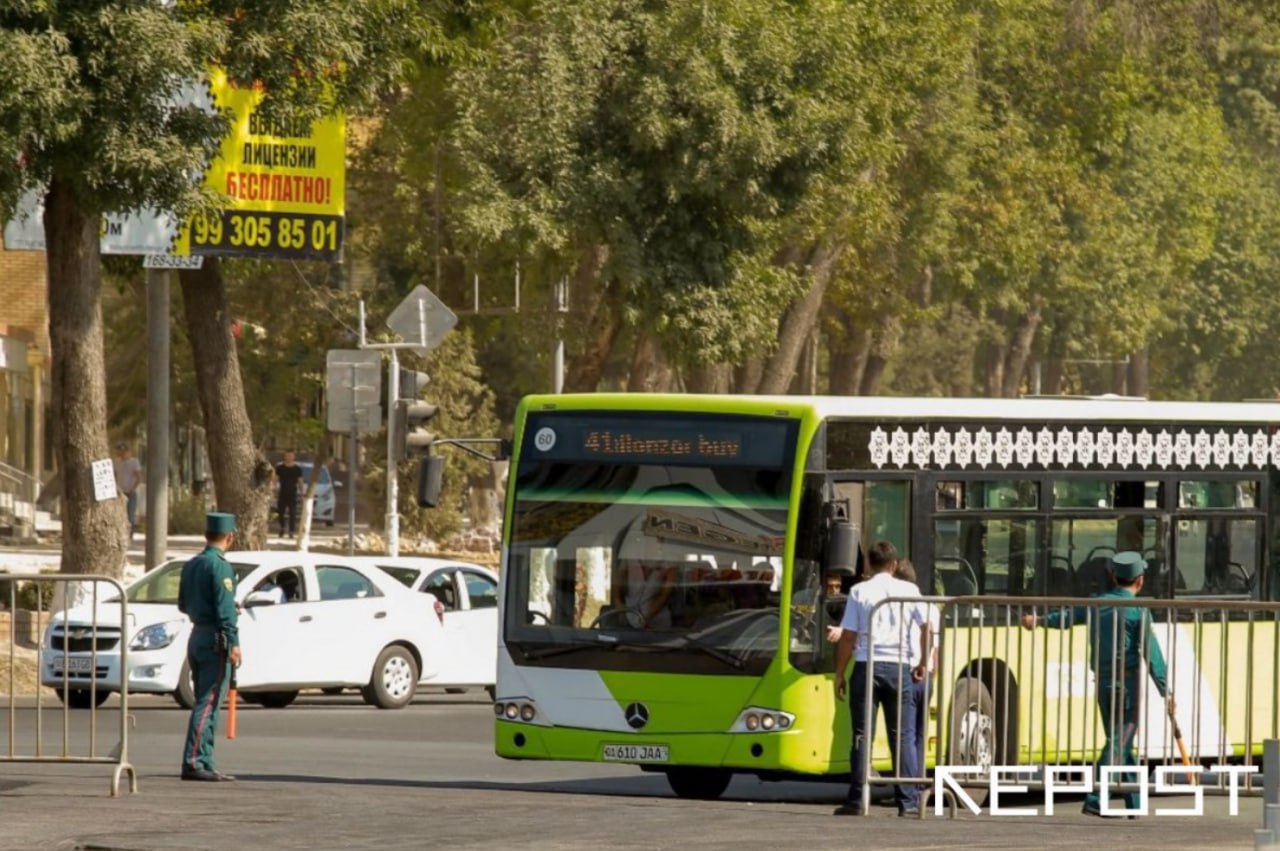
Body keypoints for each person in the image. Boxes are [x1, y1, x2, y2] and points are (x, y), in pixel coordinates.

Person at [1021, 551, 1173, 817]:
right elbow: (1152, 654)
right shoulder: (1138, 610)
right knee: (1119, 741)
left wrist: (1039, 622)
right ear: (1140, 580)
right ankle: (1095, 796)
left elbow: (1065, 618)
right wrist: (1165, 690)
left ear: (1114, 577)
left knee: (1121, 744)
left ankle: (1134, 805)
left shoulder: (1095, 604)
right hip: (1128, 687)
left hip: (1103, 685)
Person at [834, 541, 929, 817]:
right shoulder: (909, 590)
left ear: (868, 565)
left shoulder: (859, 591)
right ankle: (907, 801)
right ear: (894, 565)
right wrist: (922, 661)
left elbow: (848, 635)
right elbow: (926, 627)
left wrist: (840, 673)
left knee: (862, 734)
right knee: (902, 736)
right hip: (900, 667)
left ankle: (857, 798)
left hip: (866, 665)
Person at [177, 512, 242, 782]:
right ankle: (194, 760)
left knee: (209, 700)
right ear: (230, 537)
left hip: (197, 635)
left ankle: (205, 758)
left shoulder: (192, 564)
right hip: (216, 638)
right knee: (209, 701)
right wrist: (234, 642)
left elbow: (182, 603)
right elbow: (225, 609)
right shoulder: (220, 567)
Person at [895, 559, 940, 764]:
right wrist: (930, 671)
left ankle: (908, 783)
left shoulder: (896, 606)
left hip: (910, 672)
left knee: (906, 734)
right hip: (927, 674)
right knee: (921, 733)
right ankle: (919, 780)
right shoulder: (932, 607)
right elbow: (936, 649)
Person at [112, 442, 142, 539]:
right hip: (120, 491)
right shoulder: (116, 462)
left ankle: (130, 534)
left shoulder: (134, 462)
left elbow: (138, 477)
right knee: (119, 513)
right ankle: (120, 533)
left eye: (122, 451)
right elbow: (115, 476)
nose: (120, 453)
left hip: (130, 491)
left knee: (130, 513)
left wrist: (133, 488)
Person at [274, 450, 304, 538]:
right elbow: (275, 479)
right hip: (282, 493)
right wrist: (273, 489)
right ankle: (282, 527)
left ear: (294, 457)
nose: (289, 457)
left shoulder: (297, 469)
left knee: (293, 513)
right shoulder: (280, 468)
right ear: (284, 457)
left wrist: (302, 493)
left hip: (293, 494)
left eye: (291, 456)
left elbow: (300, 482)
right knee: (280, 512)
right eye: (287, 456)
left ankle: (291, 531)